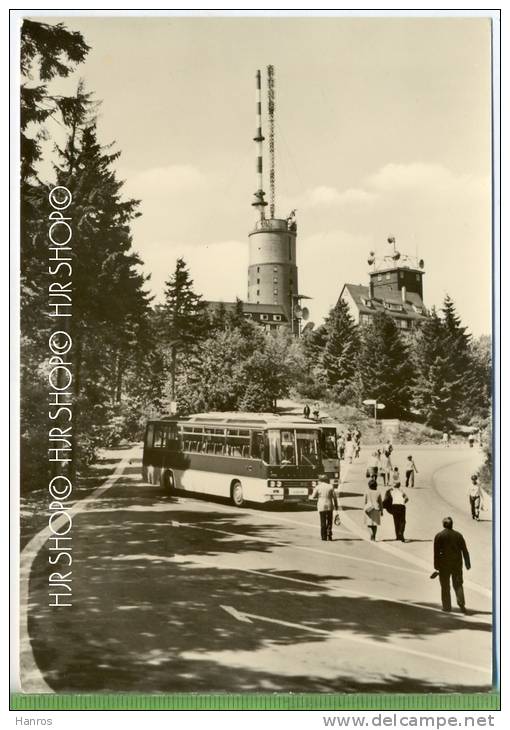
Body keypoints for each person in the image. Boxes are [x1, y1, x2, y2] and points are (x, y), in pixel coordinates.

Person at [433, 516, 471, 613]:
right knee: (458, 584)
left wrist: (436, 566)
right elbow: (465, 550)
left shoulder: (439, 536)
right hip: (457, 564)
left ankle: (447, 607)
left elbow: (436, 553)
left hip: (444, 565)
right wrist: (467, 563)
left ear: (443, 524)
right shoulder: (458, 535)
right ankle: (461, 604)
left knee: (445, 586)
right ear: (452, 524)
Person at [310, 473, 339, 541]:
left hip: (321, 505)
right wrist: (336, 506)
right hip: (329, 505)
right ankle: (329, 535)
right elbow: (334, 497)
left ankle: (323, 536)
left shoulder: (318, 487)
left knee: (322, 521)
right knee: (329, 520)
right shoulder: (330, 486)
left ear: (321, 480)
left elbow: (313, 496)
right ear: (326, 480)